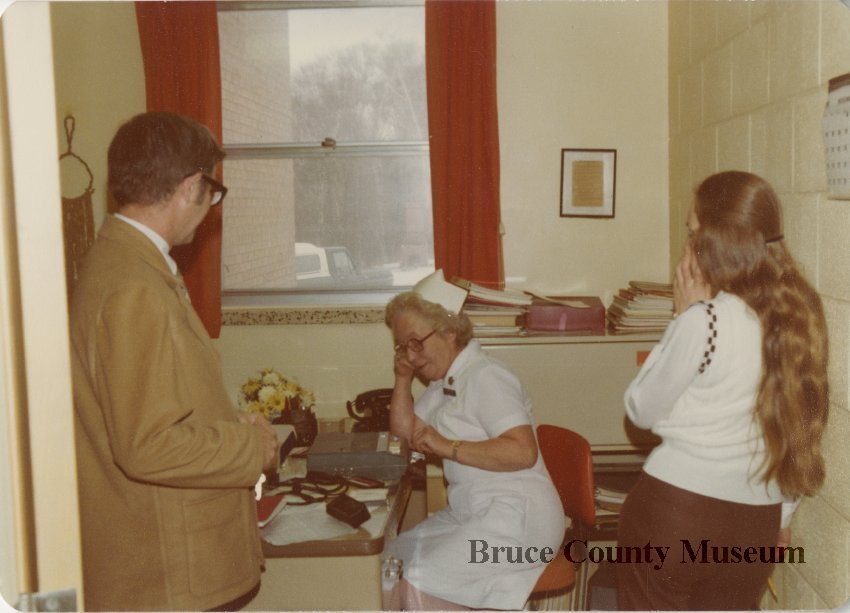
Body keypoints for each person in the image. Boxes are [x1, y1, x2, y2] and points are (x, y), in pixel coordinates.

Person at [69, 112, 278, 611]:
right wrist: (253, 446)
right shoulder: (134, 288)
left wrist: (226, 422)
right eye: (212, 193)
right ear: (190, 187)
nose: (209, 209)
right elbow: (147, 445)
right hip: (170, 572)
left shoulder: (123, 264)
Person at [616, 171, 829, 610]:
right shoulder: (797, 316)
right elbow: (797, 430)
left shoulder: (705, 320)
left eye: (692, 232)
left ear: (713, 241)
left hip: (676, 511)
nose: (688, 245)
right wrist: (782, 515)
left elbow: (640, 408)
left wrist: (681, 318)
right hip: (756, 521)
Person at [384, 270, 565, 610]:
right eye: (403, 347)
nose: (411, 356)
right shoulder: (445, 383)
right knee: (391, 559)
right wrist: (402, 378)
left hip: (520, 522)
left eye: (416, 343)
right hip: (472, 513)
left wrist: (445, 446)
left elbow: (522, 451)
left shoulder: (486, 377)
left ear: (449, 330)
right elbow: (403, 437)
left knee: (420, 576)